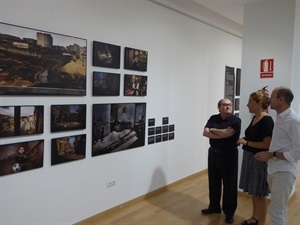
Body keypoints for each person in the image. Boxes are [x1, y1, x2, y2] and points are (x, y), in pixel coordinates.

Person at [255, 86, 300, 225]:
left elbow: (298, 152)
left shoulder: (293, 120)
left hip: (284, 172)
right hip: (274, 169)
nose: (269, 100)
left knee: (276, 211)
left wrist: (271, 154)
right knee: (279, 210)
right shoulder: (280, 117)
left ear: (281, 100)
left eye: (272, 97)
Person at [237, 89, 274, 225]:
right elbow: (253, 136)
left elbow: (266, 144)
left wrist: (246, 142)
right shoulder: (255, 118)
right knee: (254, 191)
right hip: (250, 158)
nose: (247, 105)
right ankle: (254, 218)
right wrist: (244, 139)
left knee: (260, 193)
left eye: (250, 102)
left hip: (258, 160)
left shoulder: (267, 120)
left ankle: (261, 222)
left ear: (258, 104)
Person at [202, 98, 241, 224]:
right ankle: (214, 207)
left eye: (230, 105)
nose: (228, 107)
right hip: (213, 154)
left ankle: (229, 213)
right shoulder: (213, 118)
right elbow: (205, 133)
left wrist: (213, 130)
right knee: (213, 181)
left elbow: (228, 133)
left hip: (229, 155)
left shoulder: (236, 120)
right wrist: (220, 133)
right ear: (219, 107)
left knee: (229, 184)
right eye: (224, 105)